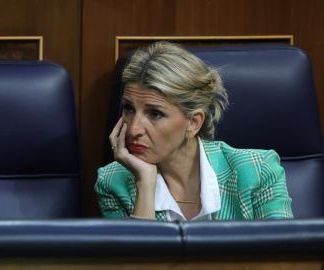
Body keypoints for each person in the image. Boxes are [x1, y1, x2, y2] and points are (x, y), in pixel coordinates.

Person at [95, 41, 293, 221]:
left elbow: (284, 258)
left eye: (155, 113)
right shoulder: (113, 183)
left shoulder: (258, 171)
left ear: (193, 122)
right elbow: (137, 261)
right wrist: (145, 182)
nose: (134, 129)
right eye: (129, 109)